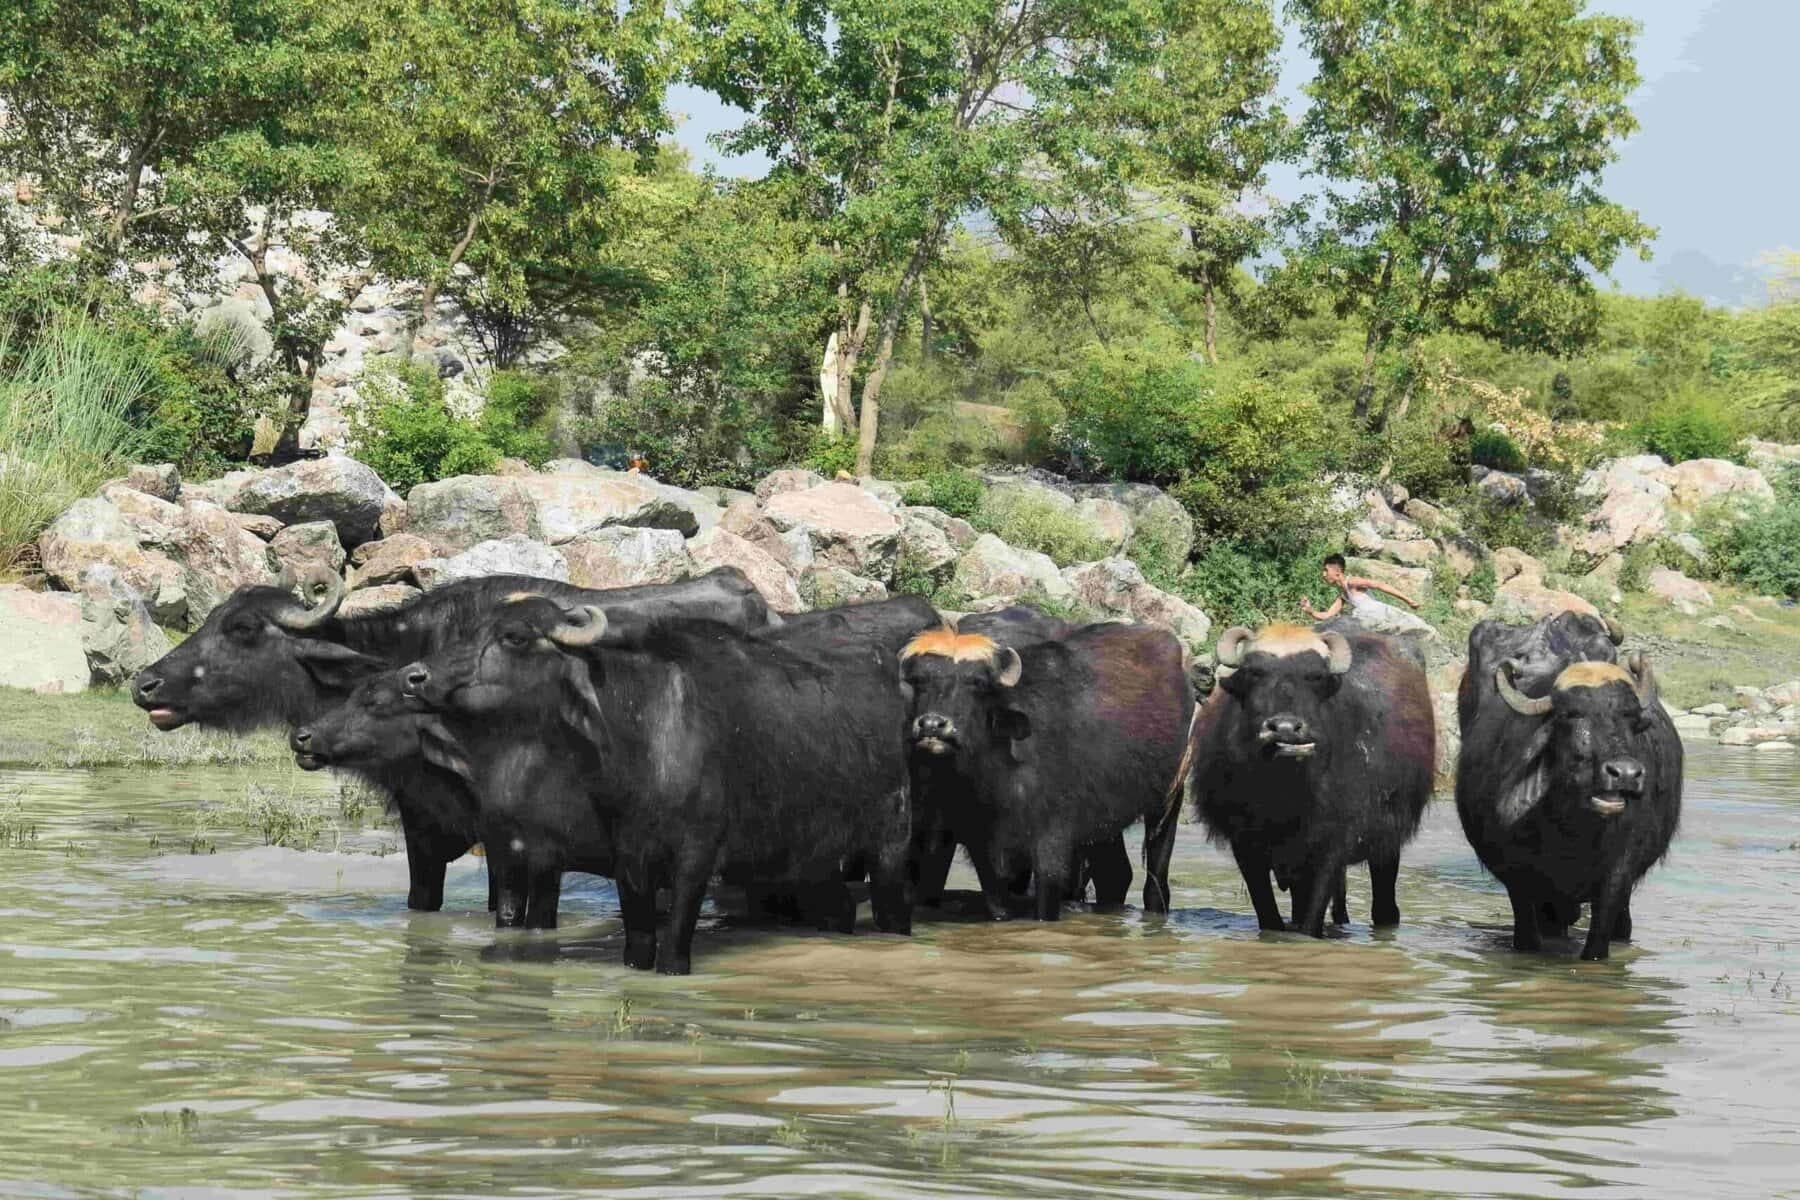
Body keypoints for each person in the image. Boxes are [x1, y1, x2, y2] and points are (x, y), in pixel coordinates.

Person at [1303, 553, 1432, 632]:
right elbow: (1327, 615)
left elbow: (1380, 585)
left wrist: (1408, 600)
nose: (1323, 574)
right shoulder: (1343, 595)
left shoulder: (1352, 582)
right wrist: (1310, 611)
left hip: (1386, 616)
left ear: (1337, 572)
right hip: (1373, 623)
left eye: (1326, 570)